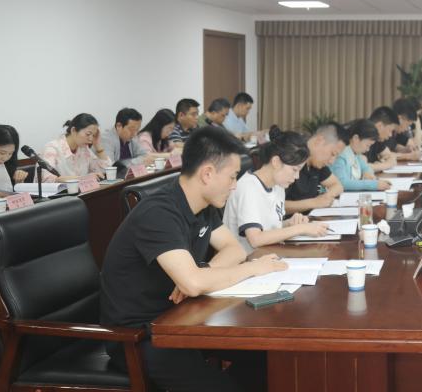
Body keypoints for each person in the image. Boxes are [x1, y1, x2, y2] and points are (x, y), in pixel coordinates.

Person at [100, 126, 287, 392]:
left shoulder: (203, 206)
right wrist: (253, 269)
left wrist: (201, 274)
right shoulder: (159, 212)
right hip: (140, 336)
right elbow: (194, 283)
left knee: (269, 359)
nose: (235, 185)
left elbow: (234, 250)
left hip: (182, 319)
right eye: (232, 176)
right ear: (207, 173)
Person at [223, 129, 328, 252]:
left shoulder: (278, 187)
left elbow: (268, 229)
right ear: (276, 162)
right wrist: (301, 229)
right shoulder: (248, 187)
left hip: (268, 255)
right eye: (295, 170)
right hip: (247, 260)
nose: (297, 177)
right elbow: (256, 239)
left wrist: (289, 224)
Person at [284, 122, 346, 215]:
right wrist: (314, 203)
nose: (332, 161)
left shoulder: (317, 163)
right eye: (333, 154)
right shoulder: (291, 157)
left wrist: (325, 197)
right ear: (319, 140)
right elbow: (276, 205)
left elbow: (338, 185)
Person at [42, 113, 109, 182]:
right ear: (73, 130)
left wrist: (98, 145)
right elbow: (46, 179)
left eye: (93, 135)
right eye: (88, 134)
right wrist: (83, 178)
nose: (91, 139)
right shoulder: (52, 148)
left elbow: (104, 172)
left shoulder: (84, 149)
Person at [332, 119, 391, 192]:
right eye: (367, 145)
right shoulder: (340, 154)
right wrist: (373, 185)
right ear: (356, 138)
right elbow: (342, 183)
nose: (368, 149)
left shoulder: (355, 153)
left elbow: (366, 167)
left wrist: (368, 173)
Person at [365, 106, 399, 172]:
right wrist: (386, 165)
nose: (390, 135)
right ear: (380, 126)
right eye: (390, 130)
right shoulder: (362, 134)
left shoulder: (378, 138)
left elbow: (390, 156)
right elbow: (360, 168)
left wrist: (379, 165)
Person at [0, 125, 26, 193]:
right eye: (2, 153)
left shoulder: (8, 164)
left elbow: (11, 193)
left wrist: (18, 182)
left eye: (10, 153)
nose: (5, 158)